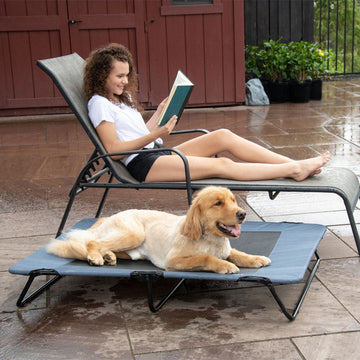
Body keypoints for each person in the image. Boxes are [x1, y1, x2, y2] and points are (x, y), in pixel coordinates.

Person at [83, 43, 330, 183]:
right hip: (143, 164)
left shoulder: (120, 99)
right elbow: (115, 151)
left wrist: (158, 113)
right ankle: (294, 170)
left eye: (127, 75)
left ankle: (294, 164)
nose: (125, 81)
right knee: (222, 165)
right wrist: (156, 134)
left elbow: (137, 135)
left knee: (222, 136)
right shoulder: (99, 103)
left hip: (154, 153)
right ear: (101, 75)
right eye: (119, 76)